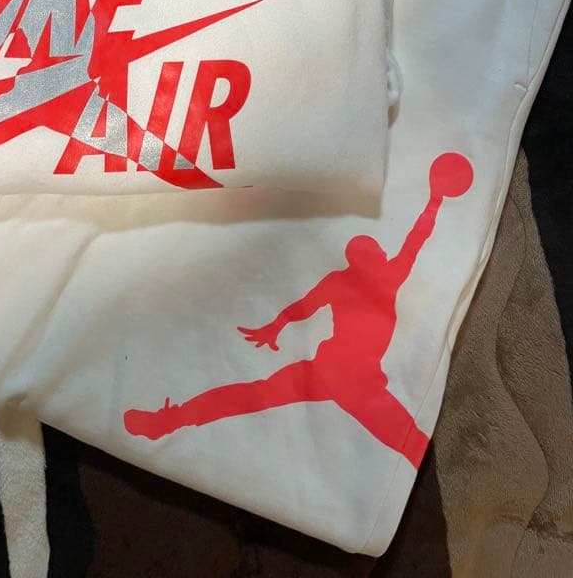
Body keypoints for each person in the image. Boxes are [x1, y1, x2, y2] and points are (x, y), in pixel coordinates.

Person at [123, 152, 473, 468]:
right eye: (374, 251)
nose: (381, 253)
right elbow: (414, 241)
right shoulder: (379, 278)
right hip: (350, 379)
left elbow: (302, 308)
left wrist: (276, 326)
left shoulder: (359, 278)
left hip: (337, 373)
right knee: (410, 443)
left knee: (252, 395)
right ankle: (167, 421)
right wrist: (434, 200)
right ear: (364, 259)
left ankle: (168, 421)